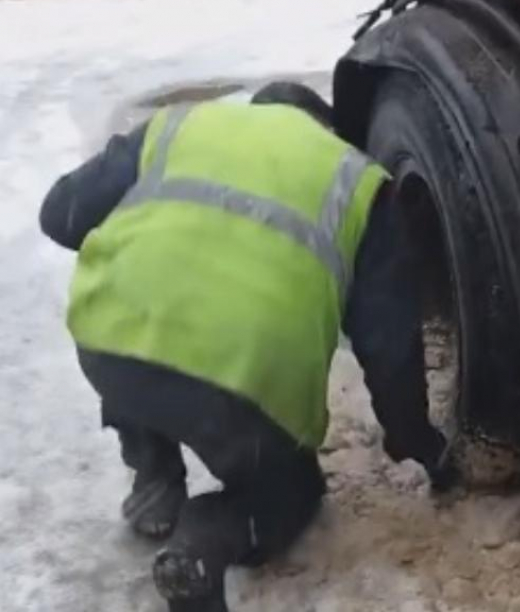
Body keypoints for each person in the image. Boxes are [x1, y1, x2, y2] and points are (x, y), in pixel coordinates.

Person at [39, 82, 456, 612]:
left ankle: (155, 475)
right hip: (242, 386)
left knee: (139, 330)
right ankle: (203, 540)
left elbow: (59, 215)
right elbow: (388, 343)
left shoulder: (183, 126)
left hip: (109, 340)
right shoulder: (356, 180)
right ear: (326, 129)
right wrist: (417, 440)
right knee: (292, 494)